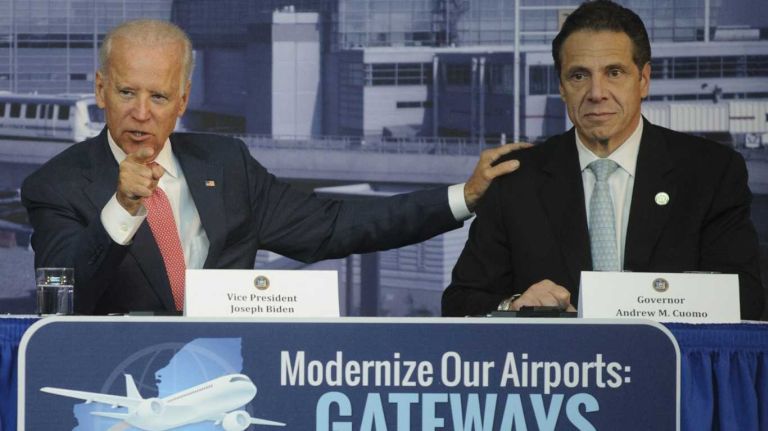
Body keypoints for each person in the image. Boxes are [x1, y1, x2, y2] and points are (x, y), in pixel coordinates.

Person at [22, 20, 528, 315]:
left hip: (233, 374)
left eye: (158, 96)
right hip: (121, 381)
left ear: (183, 100)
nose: (140, 112)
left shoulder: (228, 164)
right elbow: (64, 296)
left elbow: (335, 226)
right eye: (127, 92)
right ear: (100, 90)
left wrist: (465, 196)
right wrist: (124, 207)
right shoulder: (57, 185)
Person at [443, 0, 765, 320]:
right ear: (562, 88)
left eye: (614, 72)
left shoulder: (711, 173)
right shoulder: (516, 180)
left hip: (672, 366)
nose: (596, 93)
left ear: (643, 80)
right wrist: (513, 306)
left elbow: (745, 302)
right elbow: (460, 304)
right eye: (579, 76)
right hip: (560, 367)